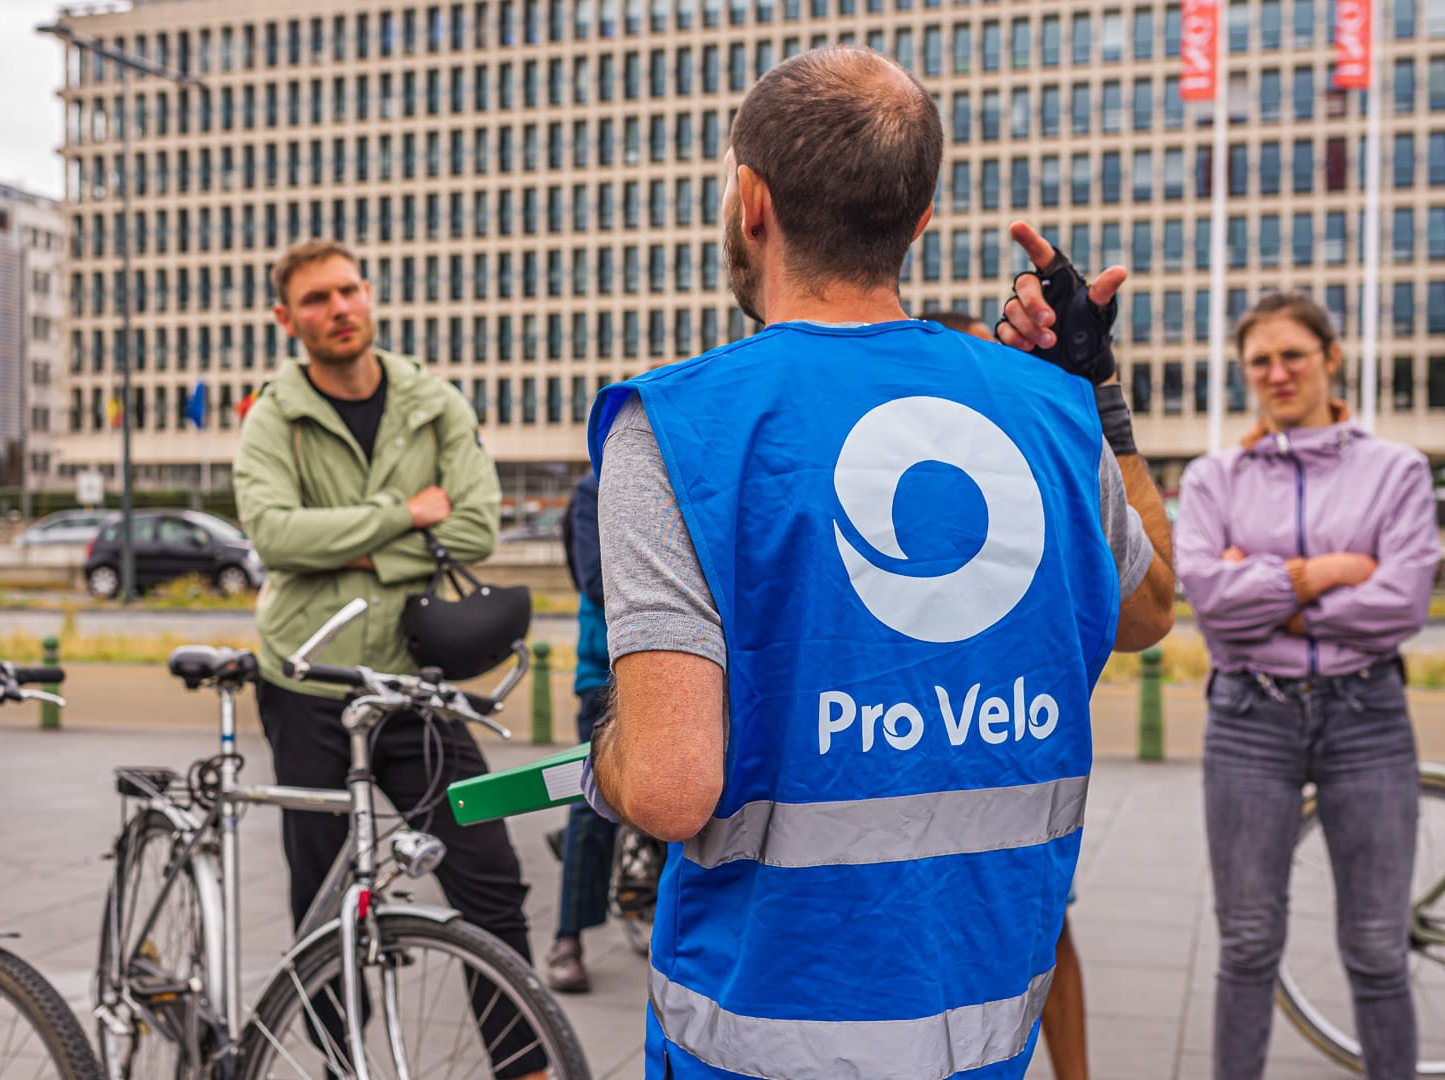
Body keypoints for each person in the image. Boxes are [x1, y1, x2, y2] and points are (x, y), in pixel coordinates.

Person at [582, 46, 1176, 1079]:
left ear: (752, 204)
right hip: (985, 1031)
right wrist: (1094, 393)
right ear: (919, 223)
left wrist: (606, 755)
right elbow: (1152, 610)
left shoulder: (680, 425)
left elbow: (675, 788)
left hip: (759, 1034)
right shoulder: (1048, 412)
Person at [232, 239, 543, 1075]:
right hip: (307, 680)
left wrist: (350, 545)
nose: (337, 309)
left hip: (413, 685)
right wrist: (404, 516)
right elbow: (272, 536)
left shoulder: (432, 402)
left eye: (347, 291)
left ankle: (530, 1065)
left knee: (490, 874)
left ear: (368, 295)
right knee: (322, 898)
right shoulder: (275, 416)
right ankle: (344, 1065)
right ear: (285, 318)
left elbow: (475, 525)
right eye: (316, 299)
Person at [1169, 291, 1439, 1080]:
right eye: (1260, 361)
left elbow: (1401, 607)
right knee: (1247, 945)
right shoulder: (1216, 478)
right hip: (1250, 719)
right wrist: (1323, 575)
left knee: (1379, 950)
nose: (1277, 372)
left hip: (1369, 719)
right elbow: (1207, 601)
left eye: (1293, 355)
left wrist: (1265, 599)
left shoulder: (1395, 472)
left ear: (1331, 358)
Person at [931, 310, 1090, 1080]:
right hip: (917, 773)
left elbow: (1149, 606)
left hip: (1006, 766)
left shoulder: (1023, 478)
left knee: (1044, 930)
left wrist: (1096, 391)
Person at [545, 469, 616, 993]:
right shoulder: (596, 488)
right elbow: (594, 579)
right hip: (606, 667)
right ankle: (566, 938)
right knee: (592, 801)